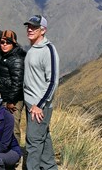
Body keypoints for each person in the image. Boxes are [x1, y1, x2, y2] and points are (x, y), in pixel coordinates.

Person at [23, 15, 60, 170]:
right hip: (31, 103)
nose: (30, 30)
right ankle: (50, 168)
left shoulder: (48, 50)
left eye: (34, 27)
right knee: (43, 140)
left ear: (43, 30)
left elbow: (52, 82)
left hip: (38, 106)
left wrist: (39, 105)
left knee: (33, 143)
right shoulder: (33, 48)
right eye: (29, 27)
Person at [0, 30, 26, 144]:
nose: (4, 45)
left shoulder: (16, 59)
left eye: (8, 42)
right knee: (4, 126)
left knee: (12, 127)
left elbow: (18, 82)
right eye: (2, 42)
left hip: (13, 100)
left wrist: (11, 101)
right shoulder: (3, 56)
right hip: (4, 98)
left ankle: (15, 153)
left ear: (14, 44)